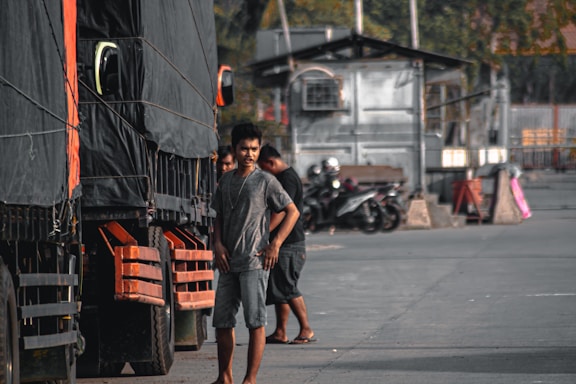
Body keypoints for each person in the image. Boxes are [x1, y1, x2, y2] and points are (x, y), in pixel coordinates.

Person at [211, 123, 300, 384]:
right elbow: (218, 216)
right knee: (223, 322)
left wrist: (276, 243)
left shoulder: (266, 181)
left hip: (254, 261)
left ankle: (250, 379)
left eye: (254, 149)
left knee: (255, 322)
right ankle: (224, 376)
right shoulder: (225, 180)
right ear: (235, 148)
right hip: (228, 262)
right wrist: (217, 243)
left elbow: (291, 211)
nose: (249, 154)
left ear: (259, 149)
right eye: (244, 149)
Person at [257, 144, 316, 345]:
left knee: (288, 287)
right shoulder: (285, 177)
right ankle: (280, 332)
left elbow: (283, 210)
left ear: (270, 163)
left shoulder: (287, 179)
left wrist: (265, 233)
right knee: (279, 288)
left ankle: (306, 329)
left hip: (290, 243)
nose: (263, 173)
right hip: (284, 242)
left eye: (263, 167)